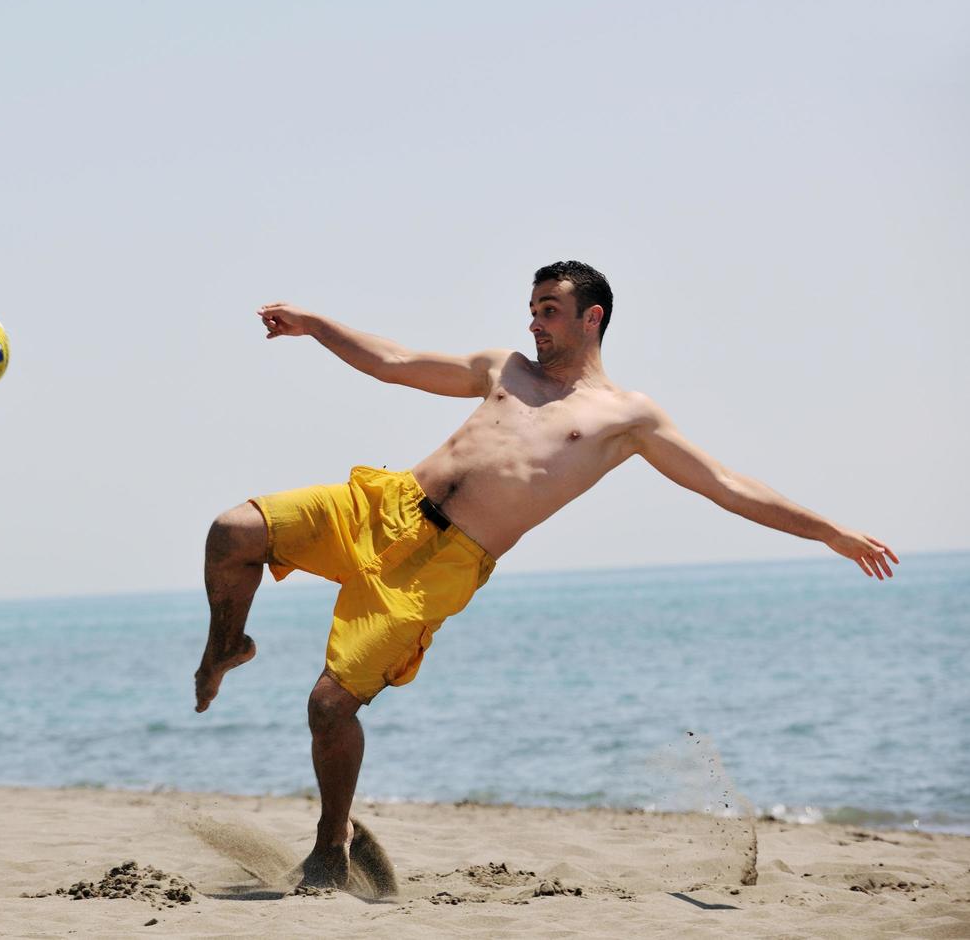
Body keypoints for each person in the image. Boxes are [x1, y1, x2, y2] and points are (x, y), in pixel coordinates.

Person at [192, 260, 897, 890]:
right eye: (531, 308)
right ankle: (227, 643)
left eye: (549, 309)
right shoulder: (504, 369)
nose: (534, 322)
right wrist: (314, 323)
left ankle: (331, 843)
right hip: (382, 506)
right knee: (233, 530)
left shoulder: (625, 417)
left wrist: (829, 530)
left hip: (443, 563)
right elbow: (394, 361)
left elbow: (723, 484)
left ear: (592, 317)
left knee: (328, 707)